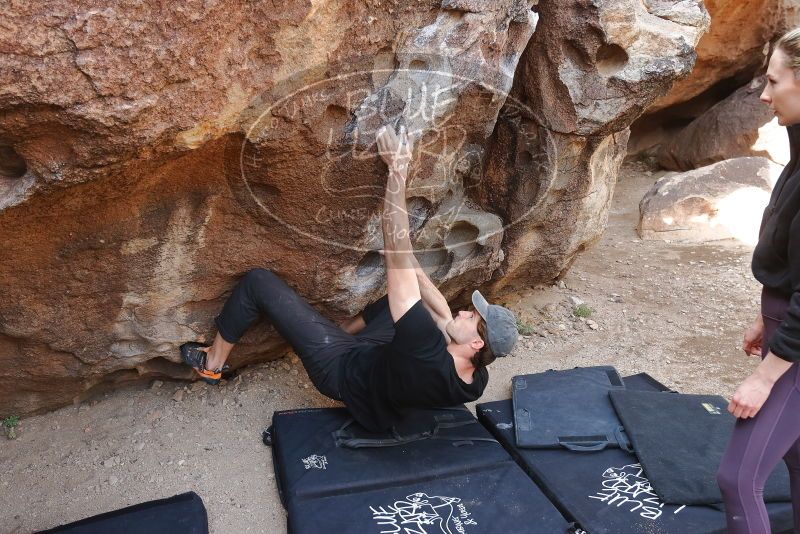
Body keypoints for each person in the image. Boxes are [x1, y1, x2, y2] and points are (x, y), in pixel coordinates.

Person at [179, 124, 518, 432]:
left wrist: (397, 171)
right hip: (385, 383)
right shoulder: (476, 378)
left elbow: (395, 242)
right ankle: (338, 332)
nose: (464, 312)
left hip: (343, 372)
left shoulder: (424, 347)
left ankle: (213, 363)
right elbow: (441, 310)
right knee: (406, 306)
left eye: (472, 317)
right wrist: (411, 265)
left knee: (258, 282)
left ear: (477, 343)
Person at [716, 28, 800, 533]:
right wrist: (764, 316)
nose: (765, 95)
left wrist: (764, 377)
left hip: (794, 351)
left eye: (773, 81)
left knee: (738, 478)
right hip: (784, 325)